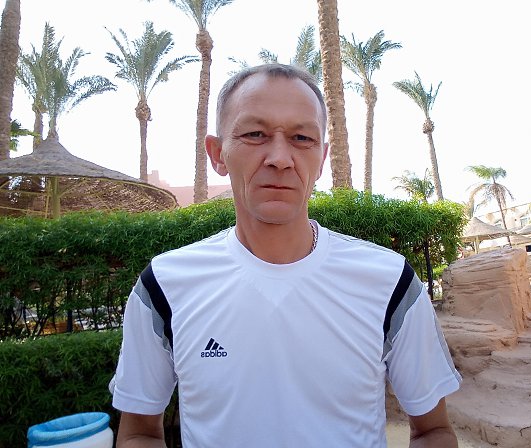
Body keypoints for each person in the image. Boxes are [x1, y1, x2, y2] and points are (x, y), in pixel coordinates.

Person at [110, 63, 462, 447]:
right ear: (217, 154)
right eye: (255, 134)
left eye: (301, 137)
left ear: (322, 158)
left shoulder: (390, 281)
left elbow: (433, 431)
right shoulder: (164, 287)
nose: (280, 157)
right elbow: (138, 434)